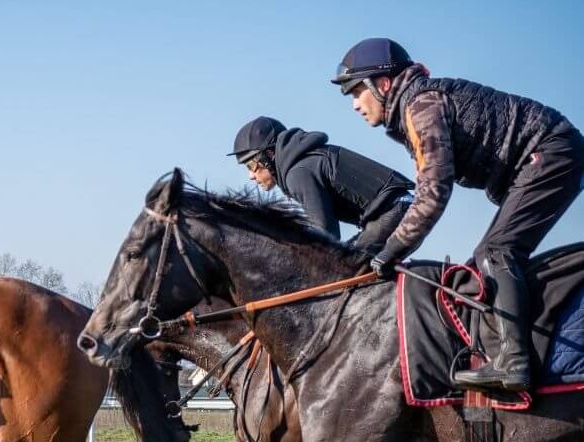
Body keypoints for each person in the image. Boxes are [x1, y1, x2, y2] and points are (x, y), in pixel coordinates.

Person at [332, 38, 584, 391]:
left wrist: (391, 250)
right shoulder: (415, 105)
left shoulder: (421, 106)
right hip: (548, 154)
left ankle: (515, 362)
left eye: (357, 91)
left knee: (494, 253)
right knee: (488, 258)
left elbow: (433, 193)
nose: (355, 104)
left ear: (383, 84)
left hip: (550, 153)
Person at [229, 116, 414, 251]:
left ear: (269, 155)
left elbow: (325, 236)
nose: (251, 176)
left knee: (346, 272)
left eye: (251, 165)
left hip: (393, 211)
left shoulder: (298, 174)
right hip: (395, 209)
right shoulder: (302, 163)